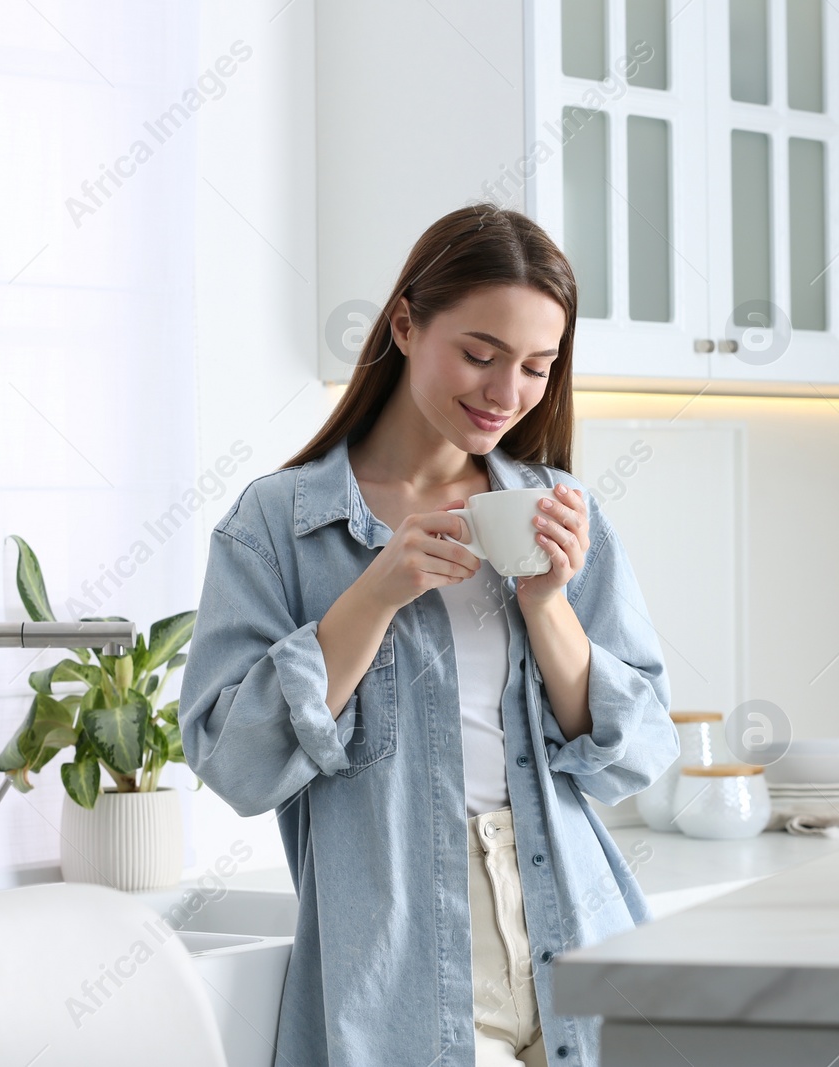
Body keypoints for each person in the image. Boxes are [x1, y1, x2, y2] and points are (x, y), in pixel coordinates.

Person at [178, 203, 679, 1067]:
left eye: (536, 366)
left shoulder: (556, 509)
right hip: (405, 961)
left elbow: (637, 753)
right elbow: (235, 759)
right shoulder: (280, 522)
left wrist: (549, 604)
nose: (506, 393)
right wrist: (373, 596)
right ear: (406, 323)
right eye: (480, 355)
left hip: (578, 931)